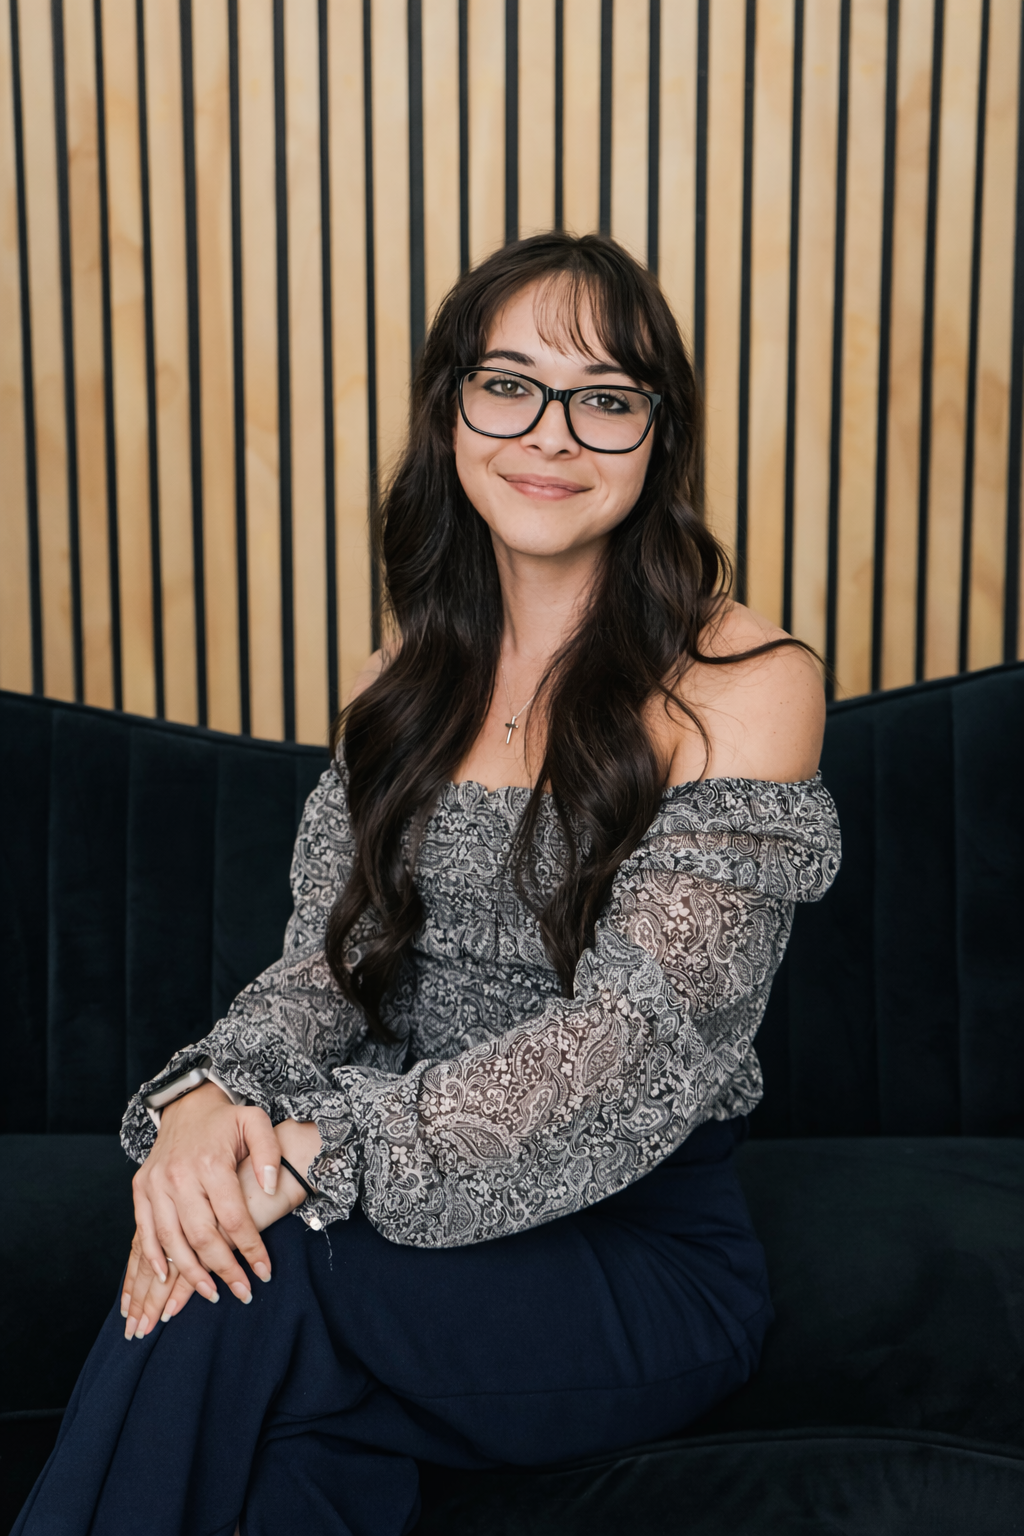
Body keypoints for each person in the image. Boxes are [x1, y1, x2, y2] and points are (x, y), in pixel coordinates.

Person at [14, 232, 839, 1536]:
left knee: (244, 1277)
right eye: (507, 384)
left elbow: (633, 1052)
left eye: (605, 397)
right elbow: (323, 972)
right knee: (275, 1421)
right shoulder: (394, 689)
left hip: (635, 1255)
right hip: (396, 1234)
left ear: (656, 435)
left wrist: (321, 1157)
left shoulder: (744, 684)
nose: (550, 433)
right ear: (452, 408)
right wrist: (208, 1098)